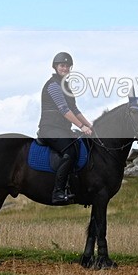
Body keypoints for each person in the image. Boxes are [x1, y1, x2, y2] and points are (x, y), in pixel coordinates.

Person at [38, 52, 92, 204]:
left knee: (79, 147)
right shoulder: (53, 86)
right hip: (49, 129)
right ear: (55, 67)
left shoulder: (66, 86)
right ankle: (58, 192)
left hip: (63, 129)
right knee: (69, 151)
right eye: (62, 65)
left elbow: (74, 109)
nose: (65, 68)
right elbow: (64, 110)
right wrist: (81, 126)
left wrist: (89, 126)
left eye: (67, 66)